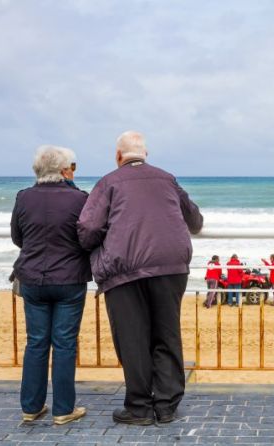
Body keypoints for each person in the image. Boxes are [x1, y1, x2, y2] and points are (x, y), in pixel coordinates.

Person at [77, 131, 203, 426]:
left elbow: (87, 228)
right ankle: (167, 405)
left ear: (118, 156)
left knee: (132, 338)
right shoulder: (167, 179)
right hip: (171, 266)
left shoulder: (108, 182)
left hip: (125, 269)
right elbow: (194, 221)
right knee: (166, 334)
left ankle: (139, 407)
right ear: (145, 154)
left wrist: (106, 239)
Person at [11, 145, 90, 425]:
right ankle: (63, 409)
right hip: (69, 279)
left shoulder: (23, 198)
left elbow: (17, 238)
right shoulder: (79, 199)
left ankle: (31, 407)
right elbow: (88, 237)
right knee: (65, 343)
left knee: (36, 342)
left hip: (33, 278)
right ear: (64, 170)